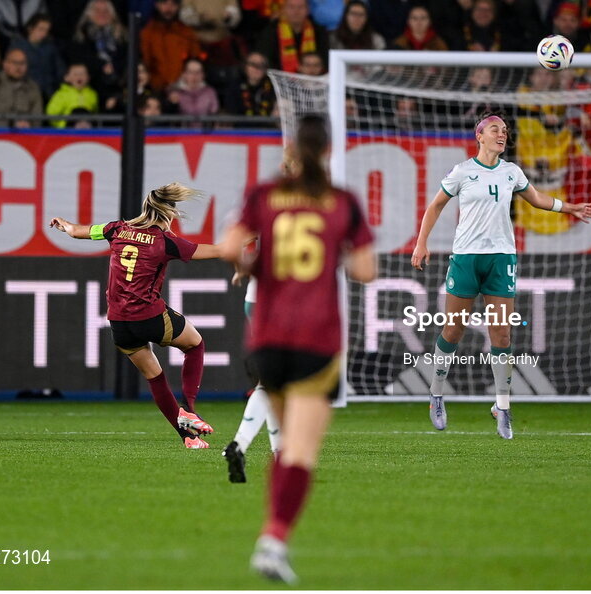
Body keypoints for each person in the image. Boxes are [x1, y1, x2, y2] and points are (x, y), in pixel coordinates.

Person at [220, 114, 377, 583]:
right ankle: (273, 539)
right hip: (316, 338)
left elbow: (231, 249)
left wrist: (260, 261)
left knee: (283, 436)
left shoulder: (262, 196)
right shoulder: (342, 201)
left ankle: (269, 530)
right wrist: (334, 250)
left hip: (267, 335)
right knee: (298, 452)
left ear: (292, 147)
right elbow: (366, 270)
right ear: (328, 150)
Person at [411, 112, 591, 439]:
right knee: (453, 331)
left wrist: (570, 208)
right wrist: (421, 242)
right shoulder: (463, 172)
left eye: (505, 130)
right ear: (479, 136)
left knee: (502, 337)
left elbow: (536, 198)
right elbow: (435, 205)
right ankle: (436, 394)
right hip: (467, 259)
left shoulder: (512, 172)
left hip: (501, 260)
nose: (502, 134)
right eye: (495, 129)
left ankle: (502, 407)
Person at [48, 182, 221, 449]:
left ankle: (189, 438)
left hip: (119, 323)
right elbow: (216, 251)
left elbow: (77, 232)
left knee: (155, 377)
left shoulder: (115, 229)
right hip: (149, 316)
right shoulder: (165, 241)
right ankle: (189, 409)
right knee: (195, 344)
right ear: (168, 214)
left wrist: (65, 225)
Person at [221, 270, 281, 483]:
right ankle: (245, 443)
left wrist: (240, 269)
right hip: (284, 301)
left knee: (273, 381)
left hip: (255, 300)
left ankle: (245, 447)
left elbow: (236, 245)